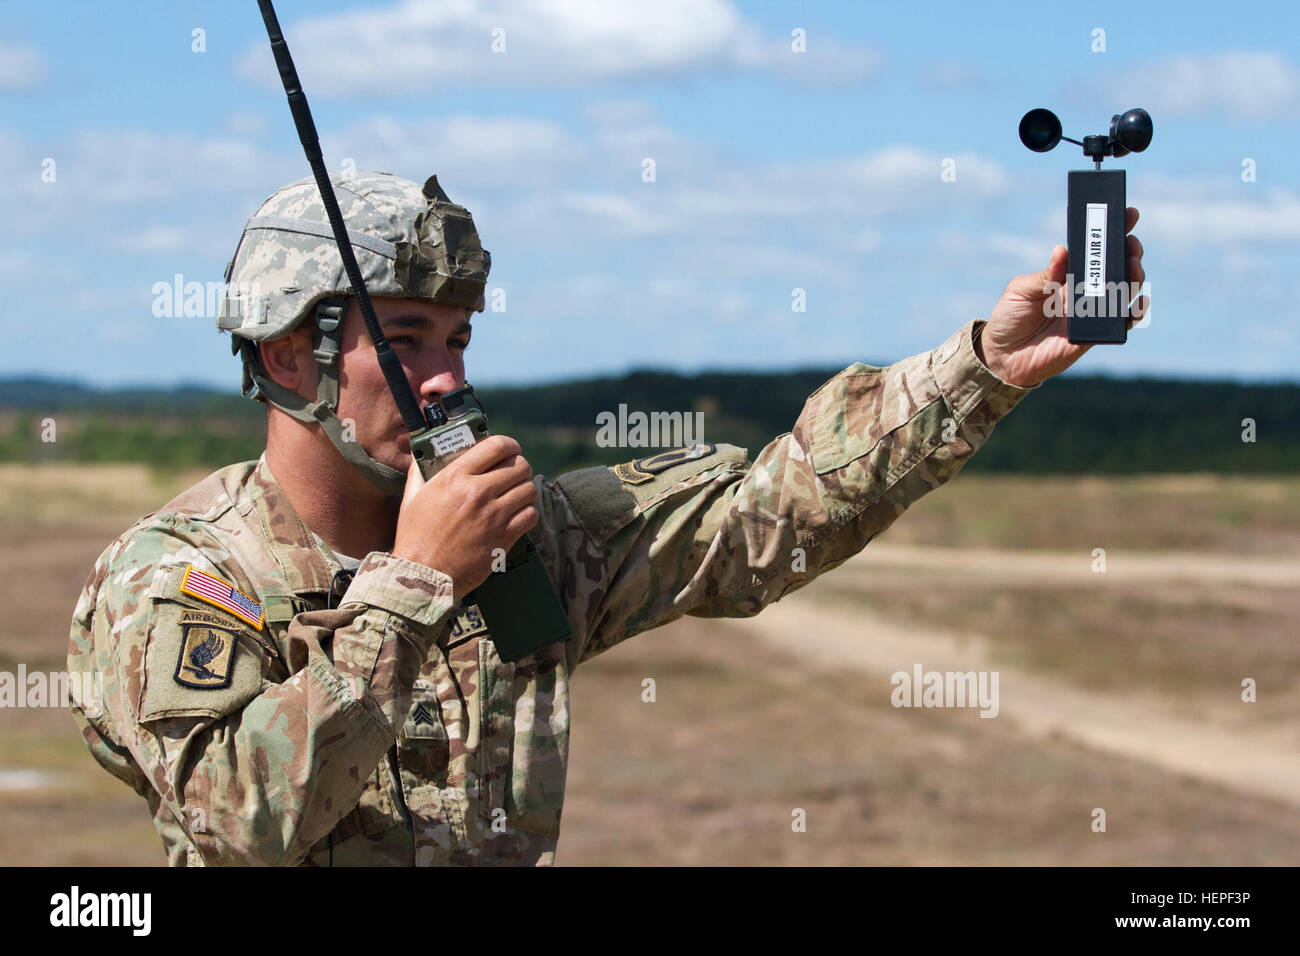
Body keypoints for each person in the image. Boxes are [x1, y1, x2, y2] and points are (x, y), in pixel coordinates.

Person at [67, 170, 1147, 866]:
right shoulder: (184, 577)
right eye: (406, 337)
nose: (444, 377)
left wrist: (986, 368)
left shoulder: (514, 536)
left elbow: (766, 508)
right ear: (287, 356)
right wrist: (408, 591)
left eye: (460, 340)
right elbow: (240, 817)